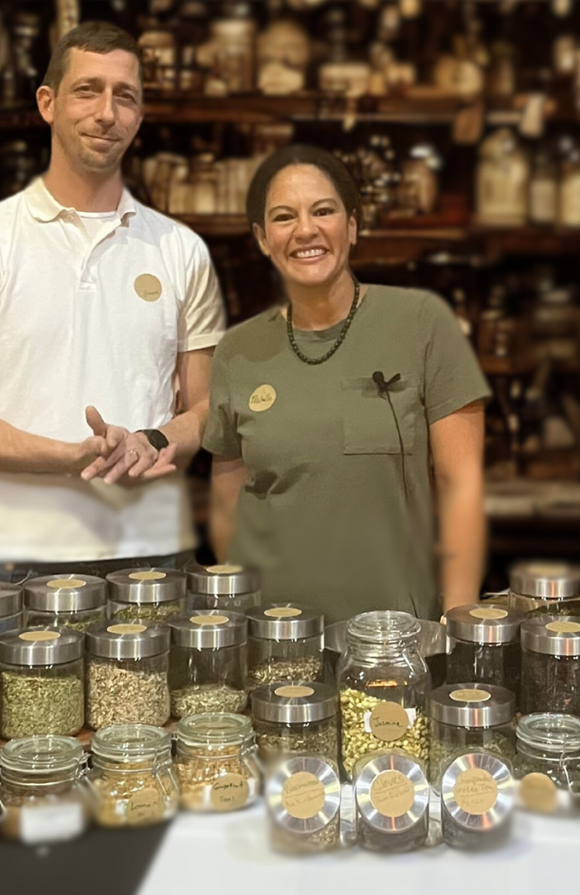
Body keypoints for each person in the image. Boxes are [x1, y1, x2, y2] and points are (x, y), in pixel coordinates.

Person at [0, 22, 224, 582]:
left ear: (139, 114)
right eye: (88, 90)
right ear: (47, 102)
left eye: (124, 96)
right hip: (14, 559)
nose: (107, 113)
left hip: (151, 556)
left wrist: (151, 441)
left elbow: (206, 410)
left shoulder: (182, 250)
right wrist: (70, 457)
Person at [203, 144, 489, 625]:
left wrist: (458, 622)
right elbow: (229, 503)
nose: (305, 230)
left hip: (394, 637)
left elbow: (462, 488)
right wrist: (245, 618)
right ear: (262, 238)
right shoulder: (238, 350)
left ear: (351, 226)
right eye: (283, 217)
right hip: (277, 637)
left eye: (323, 211)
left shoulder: (421, 322)